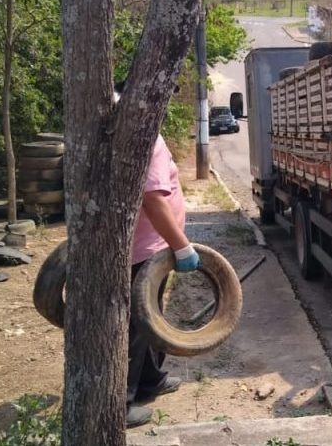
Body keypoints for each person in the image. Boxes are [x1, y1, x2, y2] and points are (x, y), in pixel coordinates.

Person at [117, 86, 200, 428]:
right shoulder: (145, 136)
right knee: (139, 324)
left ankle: (152, 379)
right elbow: (153, 199)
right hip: (146, 249)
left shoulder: (126, 126)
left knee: (151, 317)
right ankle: (121, 403)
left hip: (142, 246)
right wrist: (182, 246)